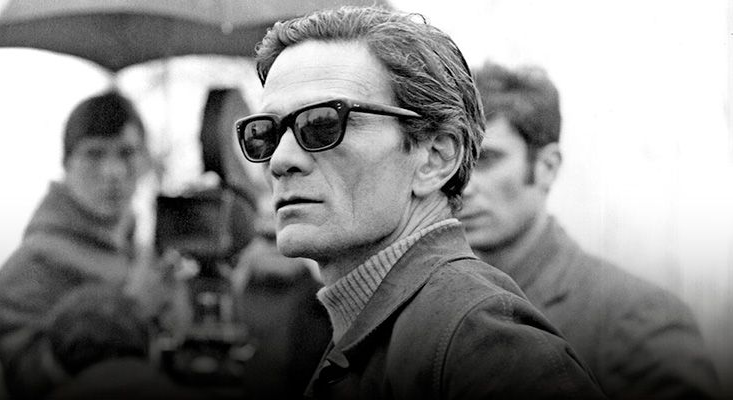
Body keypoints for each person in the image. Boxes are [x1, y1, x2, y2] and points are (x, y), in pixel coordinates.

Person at [235, 6, 606, 399]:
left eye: (322, 124)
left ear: (435, 158)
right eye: (266, 133)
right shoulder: (381, 323)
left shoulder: (477, 338)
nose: (279, 160)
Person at [460, 62, 721, 399]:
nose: (463, 186)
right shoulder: (448, 301)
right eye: (457, 161)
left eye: (486, 159)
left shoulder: (636, 320)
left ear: (547, 167)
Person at [0, 90, 178, 399]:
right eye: (94, 154)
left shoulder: (147, 257)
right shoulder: (32, 266)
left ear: (144, 160)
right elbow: (29, 384)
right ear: (66, 164)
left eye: (127, 153)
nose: (114, 172)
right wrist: (132, 309)